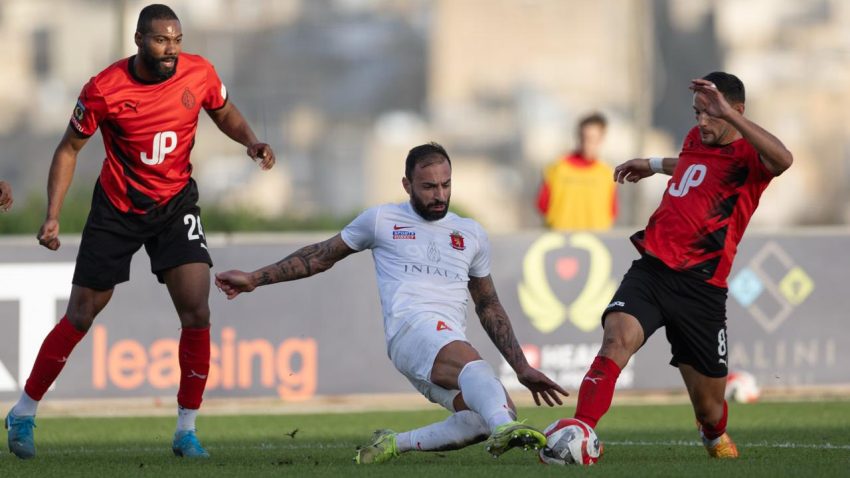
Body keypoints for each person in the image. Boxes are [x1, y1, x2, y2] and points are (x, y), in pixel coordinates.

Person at [4, 4, 275, 460]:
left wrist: (250, 141)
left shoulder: (199, 73)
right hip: (118, 208)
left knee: (197, 310)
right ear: (138, 40)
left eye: (176, 40)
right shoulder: (104, 89)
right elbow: (69, 149)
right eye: (160, 40)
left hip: (175, 204)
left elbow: (223, 111)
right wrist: (53, 214)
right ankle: (24, 411)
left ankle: (186, 431)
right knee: (81, 315)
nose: (170, 49)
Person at [215, 142, 569, 464]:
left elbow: (488, 305)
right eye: (429, 186)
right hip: (410, 330)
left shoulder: (471, 233)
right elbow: (322, 255)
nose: (439, 194)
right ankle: (505, 430)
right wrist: (255, 279)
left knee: (486, 415)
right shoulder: (382, 220)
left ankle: (393, 443)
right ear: (407, 184)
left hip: (443, 342)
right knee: (480, 378)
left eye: (446, 184)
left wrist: (521, 367)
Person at [572, 72, 793, 459]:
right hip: (653, 269)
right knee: (616, 339)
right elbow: (695, 164)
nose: (701, 123)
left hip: (701, 288)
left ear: (736, 112)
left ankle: (713, 433)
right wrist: (652, 163)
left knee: (709, 409)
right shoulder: (697, 139)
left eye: (712, 114)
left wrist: (731, 116)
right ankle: (580, 431)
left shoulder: (753, 160)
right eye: (697, 114)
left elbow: (784, 159)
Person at [536, 112, 617, 231]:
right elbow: (542, 205)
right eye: (585, 138)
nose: (588, 144)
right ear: (578, 137)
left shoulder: (607, 173)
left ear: (602, 139)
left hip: (595, 242)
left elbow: (612, 211)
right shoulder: (557, 168)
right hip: (561, 240)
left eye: (593, 139)